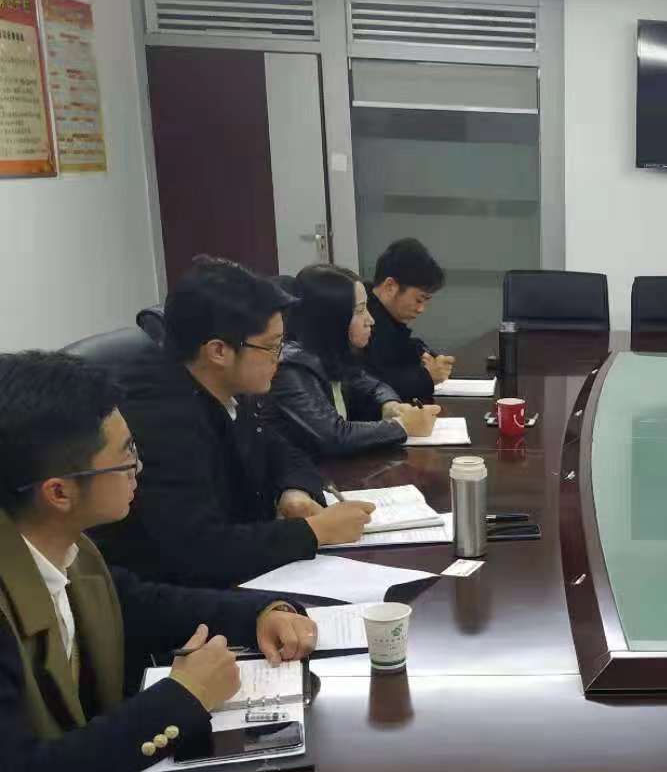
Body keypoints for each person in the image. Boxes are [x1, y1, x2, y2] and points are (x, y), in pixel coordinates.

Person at [0, 351, 318, 772]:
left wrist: (257, 612)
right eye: (125, 456)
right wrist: (177, 699)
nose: (139, 468)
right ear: (59, 491)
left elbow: (135, 599)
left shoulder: (55, 545)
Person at [93, 257, 374, 587]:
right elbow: (200, 551)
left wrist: (294, 492)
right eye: (271, 347)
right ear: (219, 352)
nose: (280, 357)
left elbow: (282, 452)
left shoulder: (228, 391)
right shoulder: (164, 423)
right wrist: (314, 531)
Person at [262, 264, 441, 457]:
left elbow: (375, 387)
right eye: (360, 310)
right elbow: (334, 436)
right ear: (333, 318)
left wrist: (391, 406)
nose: (370, 320)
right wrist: (402, 425)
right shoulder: (292, 367)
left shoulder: (333, 355)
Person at [364, 238, 454, 403]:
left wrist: (422, 353)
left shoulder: (384, 315)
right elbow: (371, 385)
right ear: (390, 286)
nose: (421, 309)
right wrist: (427, 377)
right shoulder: (363, 322)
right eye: (419, 300)